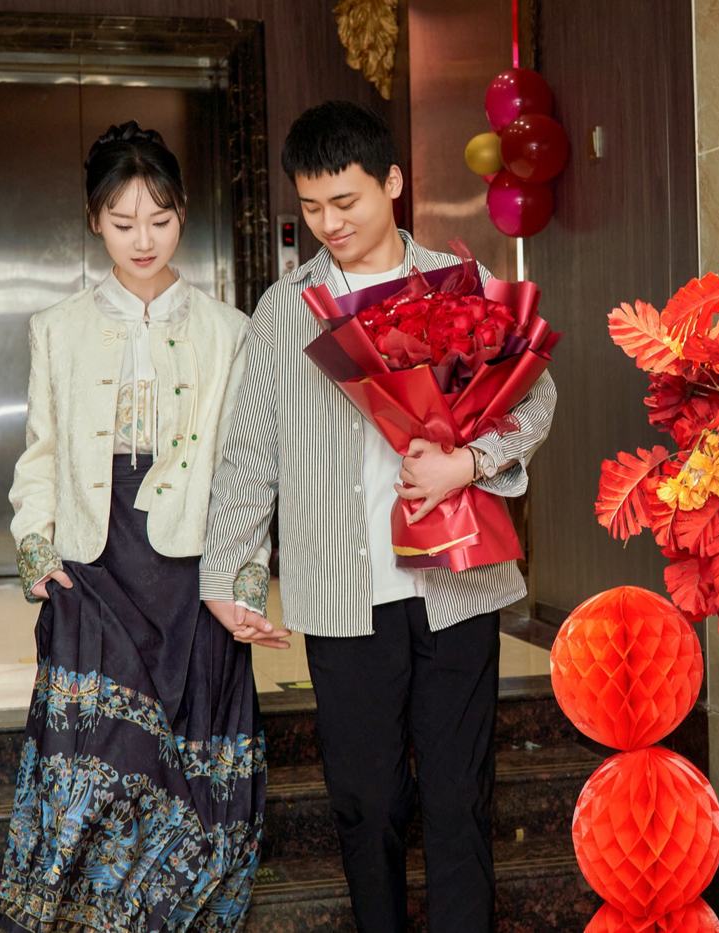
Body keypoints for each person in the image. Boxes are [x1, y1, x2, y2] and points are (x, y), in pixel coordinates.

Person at [200, 101, 556, 933]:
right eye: (311, 207)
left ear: (392, 183)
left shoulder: (457, 283)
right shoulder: (285, 309)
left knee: (459, 796)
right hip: (341, 590)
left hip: (456, 584)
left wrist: (469, 463)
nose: (330, 224)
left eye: (345, 201)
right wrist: (227, 574)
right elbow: (249, 453)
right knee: (365, 800)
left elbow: (535, 397)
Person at [0, 121, 270, 932]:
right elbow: (41, 453)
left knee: (187, 746)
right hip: (94, 552)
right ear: (95, 220)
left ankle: (162, 910)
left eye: (160, 218)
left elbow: (243, 471)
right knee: (96, 745)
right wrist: (37, 548)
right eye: (122, 222)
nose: (143, 239)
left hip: (190, 559)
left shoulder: (230, 331)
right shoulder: (57, 328)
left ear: (184, 212)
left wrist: (242, 580)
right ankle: (86, 909)